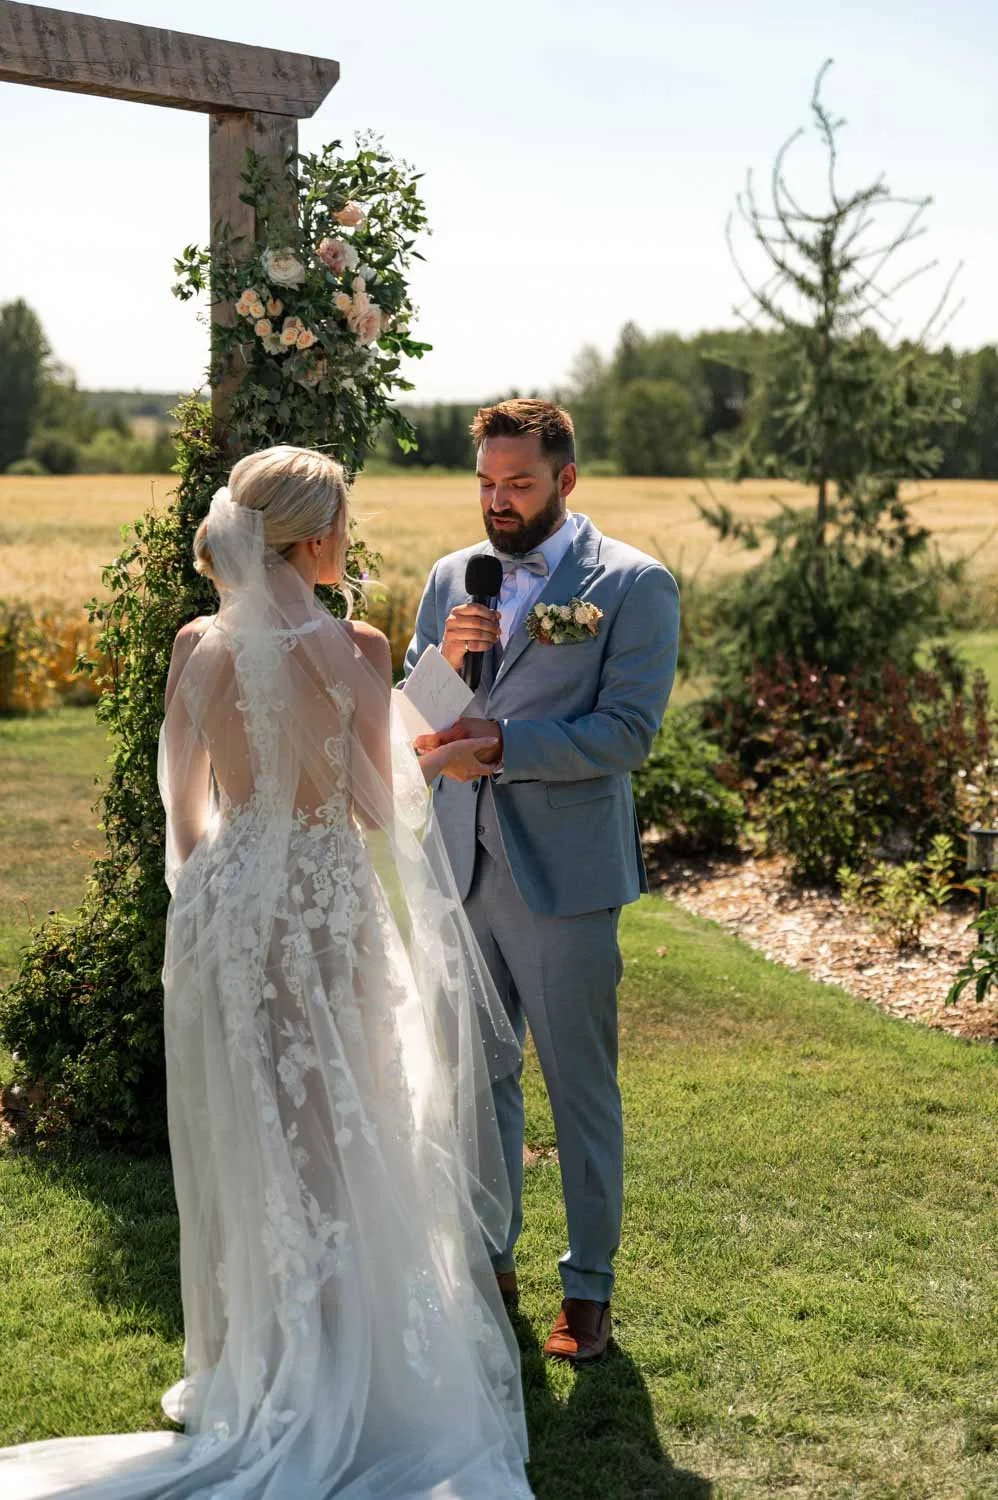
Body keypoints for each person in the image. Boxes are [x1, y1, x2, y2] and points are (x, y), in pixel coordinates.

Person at [0, 447, 533, 1499]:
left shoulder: (196, 644)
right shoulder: (358, 644)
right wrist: (433, 750)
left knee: (262, 1138)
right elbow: (375, 810)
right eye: (343, 523)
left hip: (227, 908)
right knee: (349, 1131)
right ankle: (348, 1364)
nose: (350, 540)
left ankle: (269, 1359)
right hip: (325, 908)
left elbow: (185, 813)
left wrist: (228, 897)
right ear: (311, 539)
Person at [406, 400, 679, 1363]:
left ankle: (590, 1290)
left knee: (578, 1088)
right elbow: (419, 710)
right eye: (486, 483)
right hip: (461, 864)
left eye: (518, 484)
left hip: (564, 877)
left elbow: (627, 733)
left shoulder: (634, 584)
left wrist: (509, 743)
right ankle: (492, 1265)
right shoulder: (451, 577)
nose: (498, 502)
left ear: (567, 480)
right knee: (476, 1083)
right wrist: (445, 665)